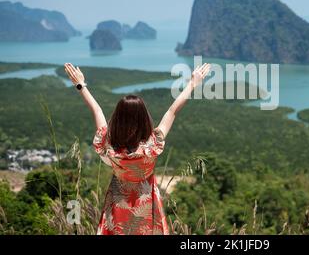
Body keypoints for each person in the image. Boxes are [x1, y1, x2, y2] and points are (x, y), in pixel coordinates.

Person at [64, 62, 211, 235]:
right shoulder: (152, 146)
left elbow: (97, 110)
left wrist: (80, 85)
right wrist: (193, 84)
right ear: (144, 119)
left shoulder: (108, 146)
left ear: (117, 118)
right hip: (147, 204)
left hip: (117, 205)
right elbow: (172, 111)